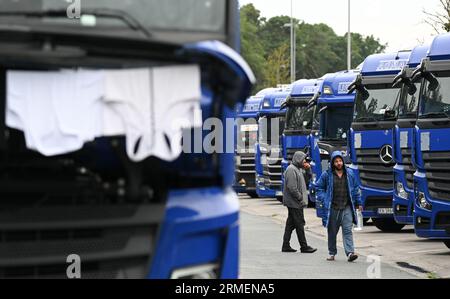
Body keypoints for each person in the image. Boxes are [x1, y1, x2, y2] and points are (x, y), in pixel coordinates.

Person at [315, 151, 362, 262]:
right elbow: (319, 188)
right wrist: (324, 198)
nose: (339, 163)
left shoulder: (350, 174)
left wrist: (358, 203)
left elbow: (356, 189)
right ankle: (332, 253)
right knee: (332, 232)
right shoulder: (327, 174)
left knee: (347, 230)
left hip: (346, 207)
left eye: (340, 161)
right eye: (336, 161)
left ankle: (350, 253)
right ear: (332, 163)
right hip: (332, 208)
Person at [281, 151, 317, 253]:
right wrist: (300, 198)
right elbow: (292, 188)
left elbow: (307, 180)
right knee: (299, 224)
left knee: (291, 224)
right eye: (303, 160)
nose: (304, 162)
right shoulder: (291, 170)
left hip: (296, 202)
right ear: (298, 159)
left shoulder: (298, 170)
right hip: (294, 202)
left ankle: (285, 245)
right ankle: (304, 246)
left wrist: (308, 169)